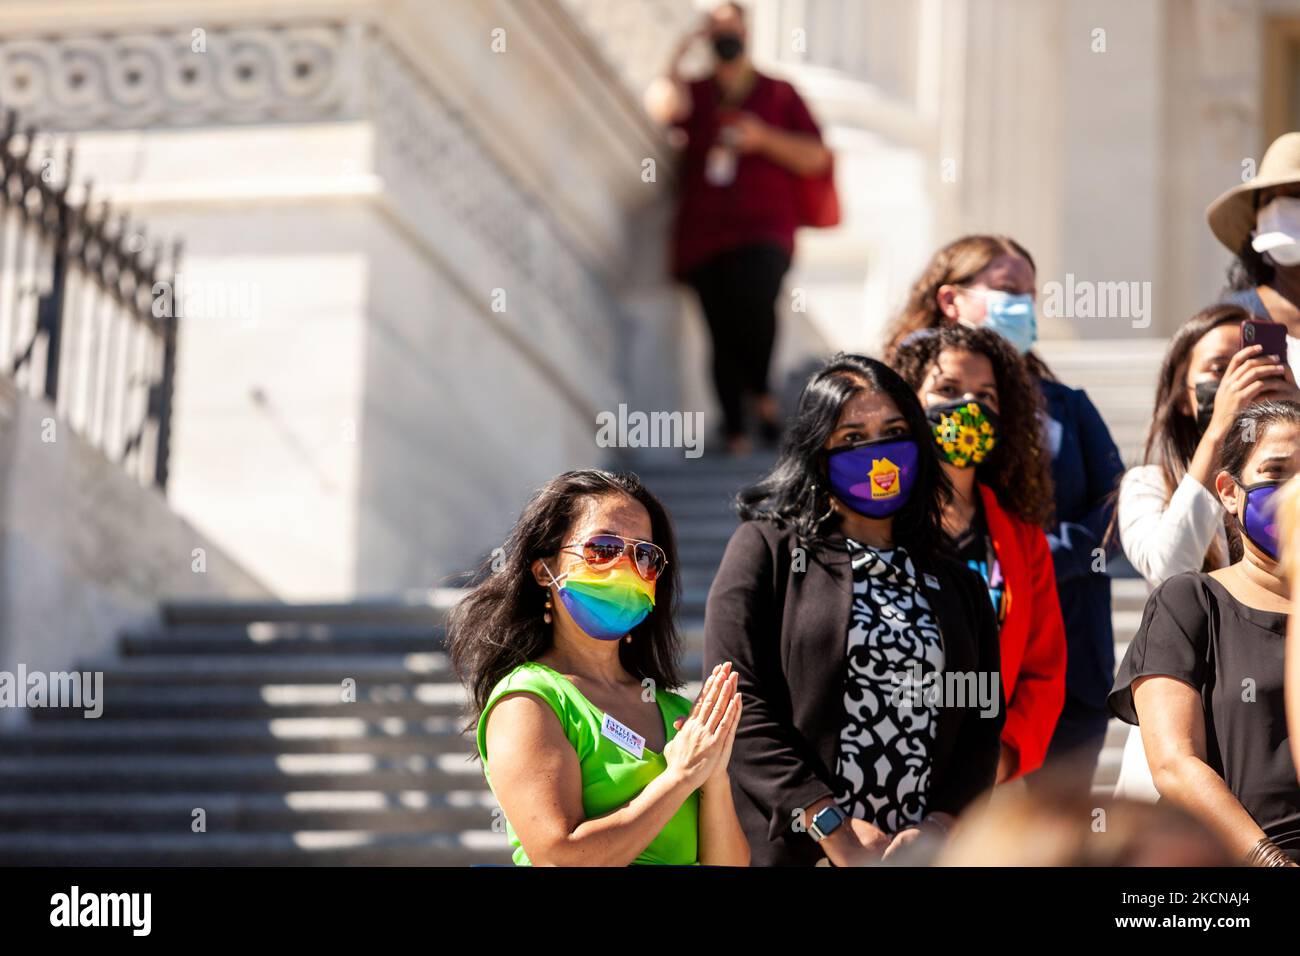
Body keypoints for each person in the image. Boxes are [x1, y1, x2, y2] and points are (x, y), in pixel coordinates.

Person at [703, 353, 1004, 866]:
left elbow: (982, 718)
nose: (877, 454)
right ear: (818, 454)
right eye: (852, 439)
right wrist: (831, 828)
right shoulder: (767, 551)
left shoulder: (958, 582)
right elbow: (739, 705)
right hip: (798, 852)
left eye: (893, 432)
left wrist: (940, 825)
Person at [886, 235, 1125, 794]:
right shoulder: (897, 405)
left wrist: (1036, 556)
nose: (1024, 305)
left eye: (1030, 293)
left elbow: (1118, 504)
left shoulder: (1067, 406)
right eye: (1007, 290)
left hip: (1058, 658)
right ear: (950, 299)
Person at [448, 470, 749, 866]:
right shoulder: (528, 700)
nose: (625, 566)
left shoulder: (677, 713)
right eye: (602, 548)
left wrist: (713, 776)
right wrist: (680, 778)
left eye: (644, 555)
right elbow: (563, 857)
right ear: (544, 571)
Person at [1112, 305, 1299, 800]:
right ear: (1181, 395)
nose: (1242, 377)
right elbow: (1171, 568)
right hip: (1189, 721)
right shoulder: (1148, 484)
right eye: (1220, 369)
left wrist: (1290, 418)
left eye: (1254, 361)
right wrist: (1222, 430)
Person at [1109, 401, 1300, 866]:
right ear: (1229, 493)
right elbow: (1175, 764)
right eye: (1276, 472)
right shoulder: (1190, 601)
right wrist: (1267, 860)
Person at [645, 1, 832, 455]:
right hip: (705, 230)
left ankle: (763, 393)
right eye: (716, 30)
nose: (724, 37)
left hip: (765, 225)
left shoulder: (778, 93)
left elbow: (816, 156)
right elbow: (660, 109)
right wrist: (679, 50)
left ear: (748, 32)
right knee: (719, 326)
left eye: (731, 28)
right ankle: (734, 426)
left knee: (756, 300)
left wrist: (762, 138)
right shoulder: (697, 91)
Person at [892, 323, 1067, 783]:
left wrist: (1003, 759)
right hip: (881, 762)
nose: (968, 407)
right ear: (908, 401)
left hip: (988, 780)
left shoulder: (1022, 537)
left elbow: (1043, 669)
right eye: (947, 389)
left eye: (985, 396)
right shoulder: (874, 520)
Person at [1207, 131, 1300, 380]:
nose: (1280, 210)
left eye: (1295, 194)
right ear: (1255, 225)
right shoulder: (1231, 320)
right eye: (1268, 199)